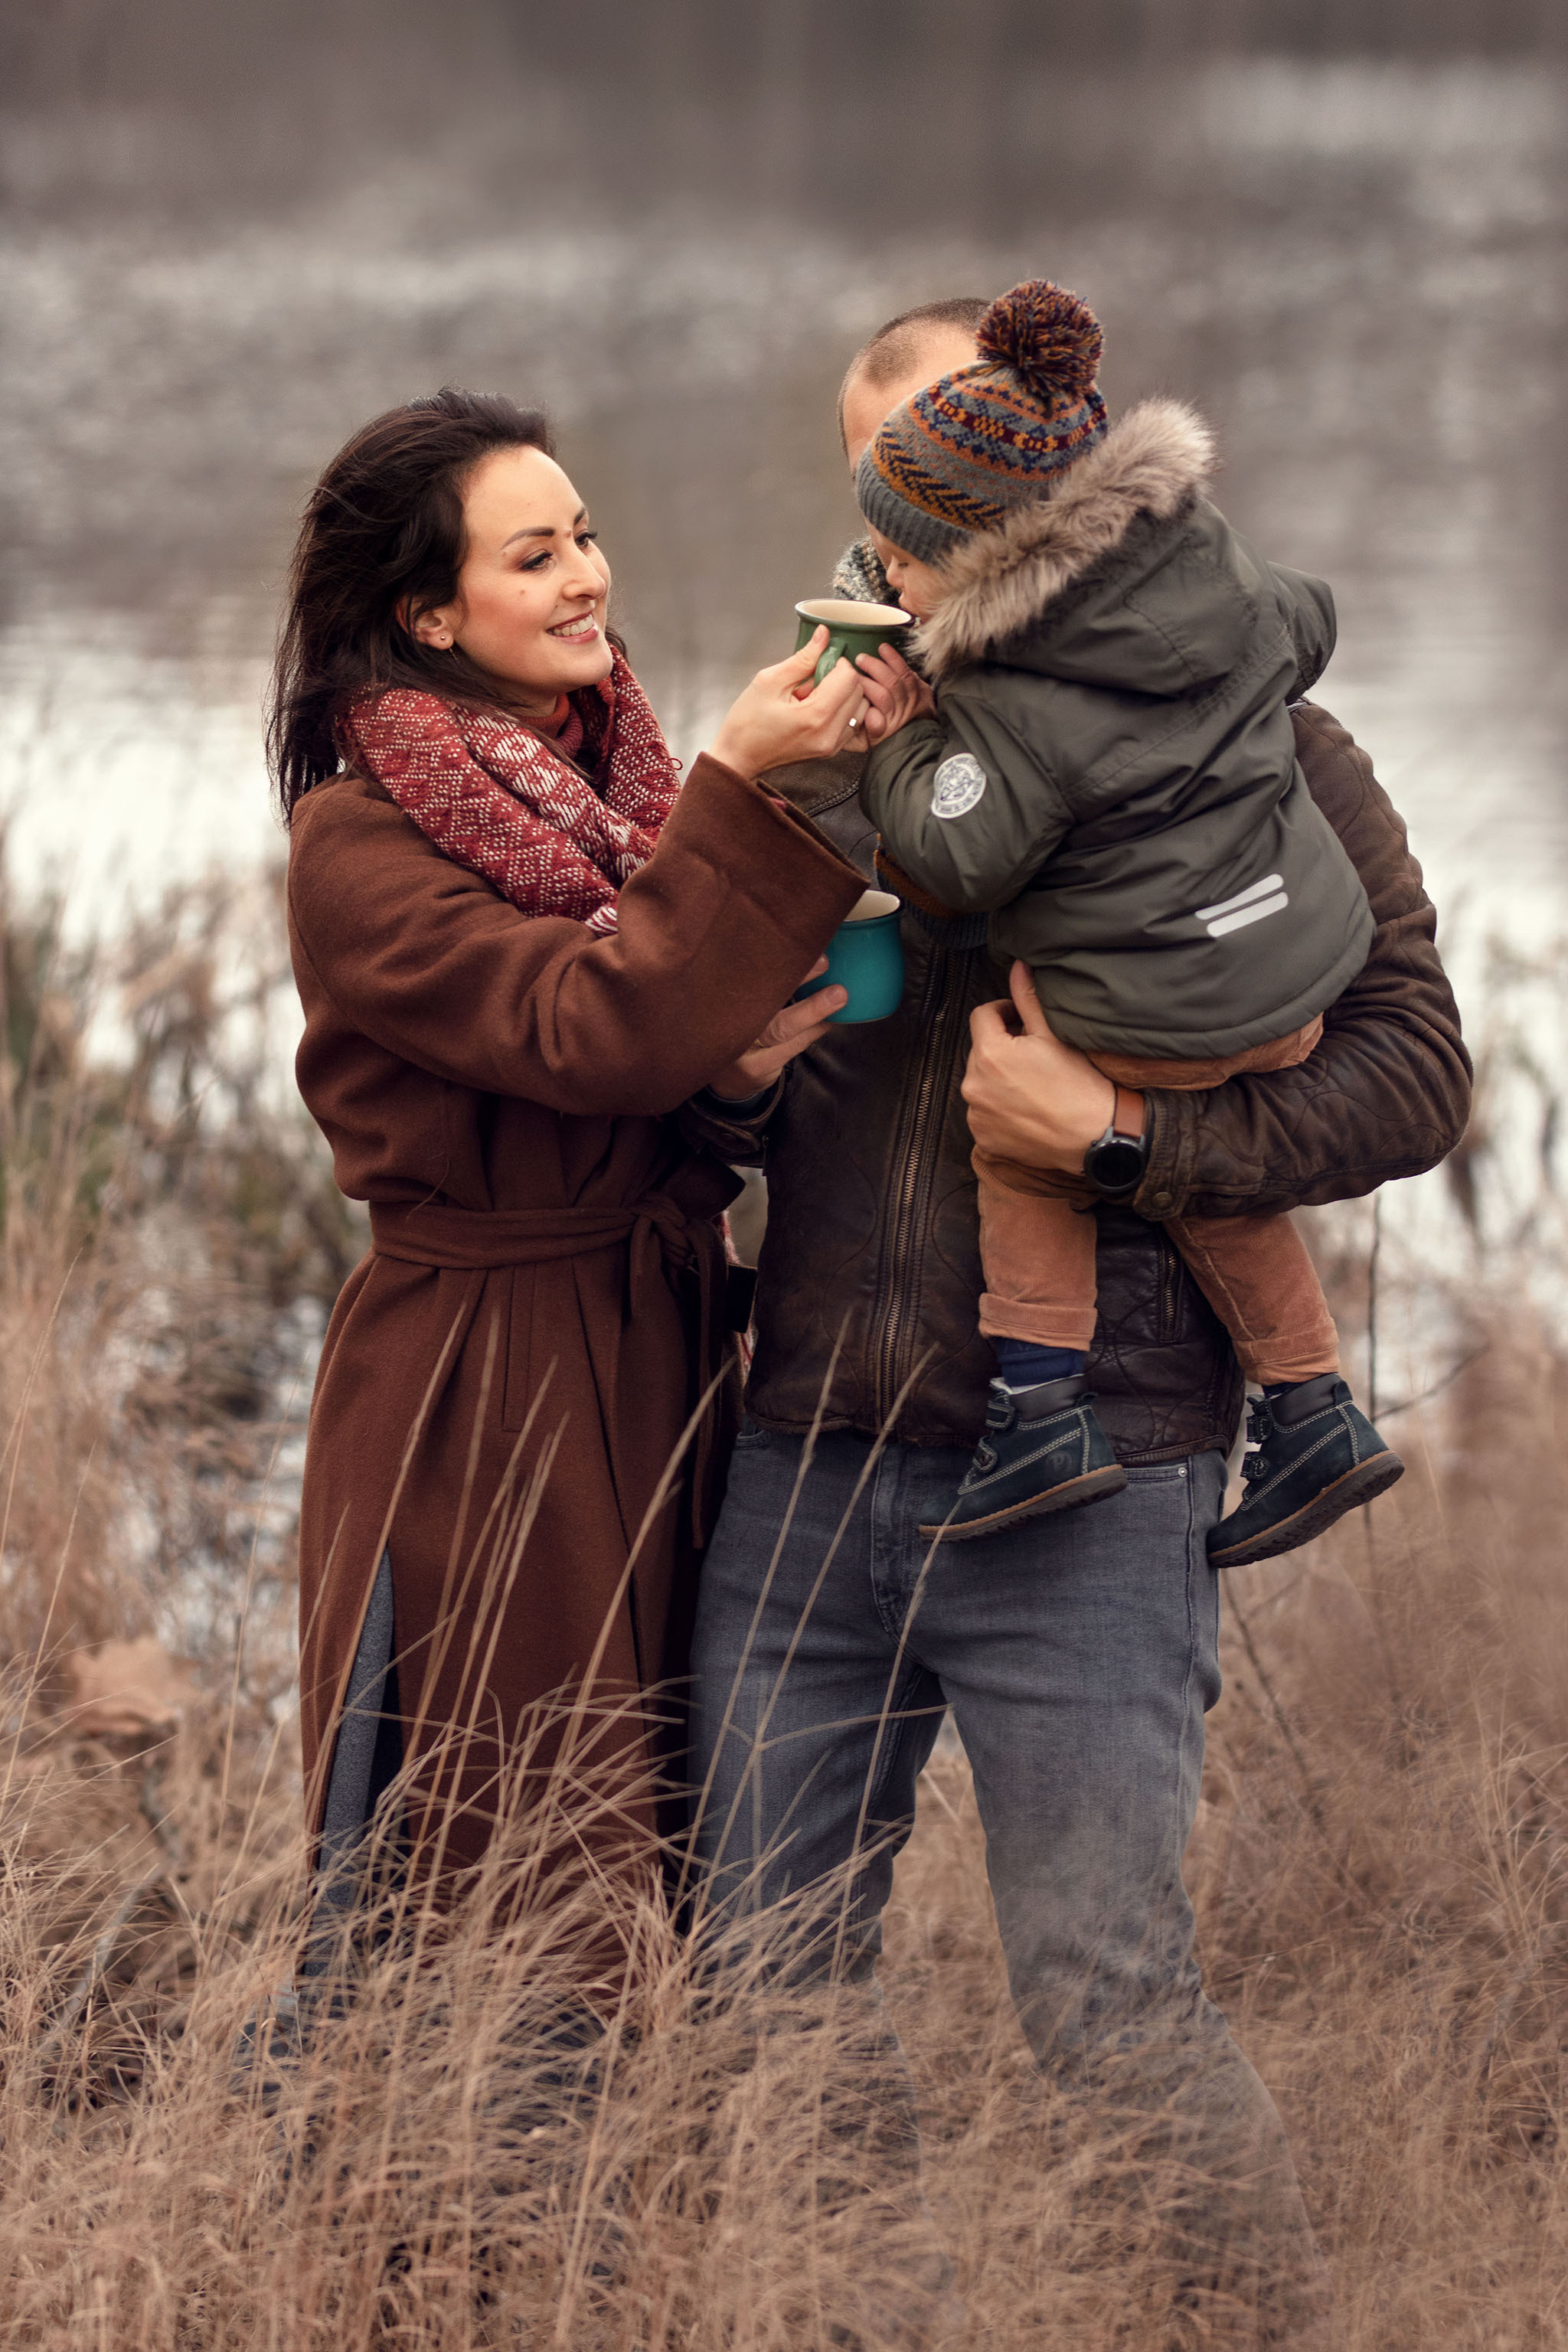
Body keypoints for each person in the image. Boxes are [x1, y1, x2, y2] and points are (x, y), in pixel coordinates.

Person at [688, 301, 1470, 2341]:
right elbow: (679, 1060)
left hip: (1096, 1475)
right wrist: (733, 1004)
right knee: (767, 1983)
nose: (887, 572)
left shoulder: (1257, 745)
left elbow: (1411, 1075)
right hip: (806, 1458)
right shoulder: (820, 738)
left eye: (919, 521)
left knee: (1106, 1994)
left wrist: (1125, 1141)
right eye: (867, 518)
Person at [270, 385, 871, 1988]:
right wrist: (748, 790)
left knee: (685, 1831)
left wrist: (734, 1086)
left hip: (657, 1349)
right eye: (532, 557)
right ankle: (455, 2219)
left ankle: (645, 2208)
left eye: (585, 537)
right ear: (427, 612)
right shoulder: (360, 839)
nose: (585, 578)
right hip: (486, 1384)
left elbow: (656, 1056)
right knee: (516, 1852)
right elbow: (592, 1027)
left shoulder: (612, 801)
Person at [853, 278, 1401, 1560]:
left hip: (1162, 1009)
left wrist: (895, 748)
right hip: (1298, 974)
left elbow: (958, 855)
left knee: (1030, 1144)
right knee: (1205, 1182)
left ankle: (1040, 1409)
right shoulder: (1224, 576)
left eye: (901, 554)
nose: (882, 572)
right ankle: (1315, 1405)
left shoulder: (1016, 698)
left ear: (988, 560)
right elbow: (1308, 621)